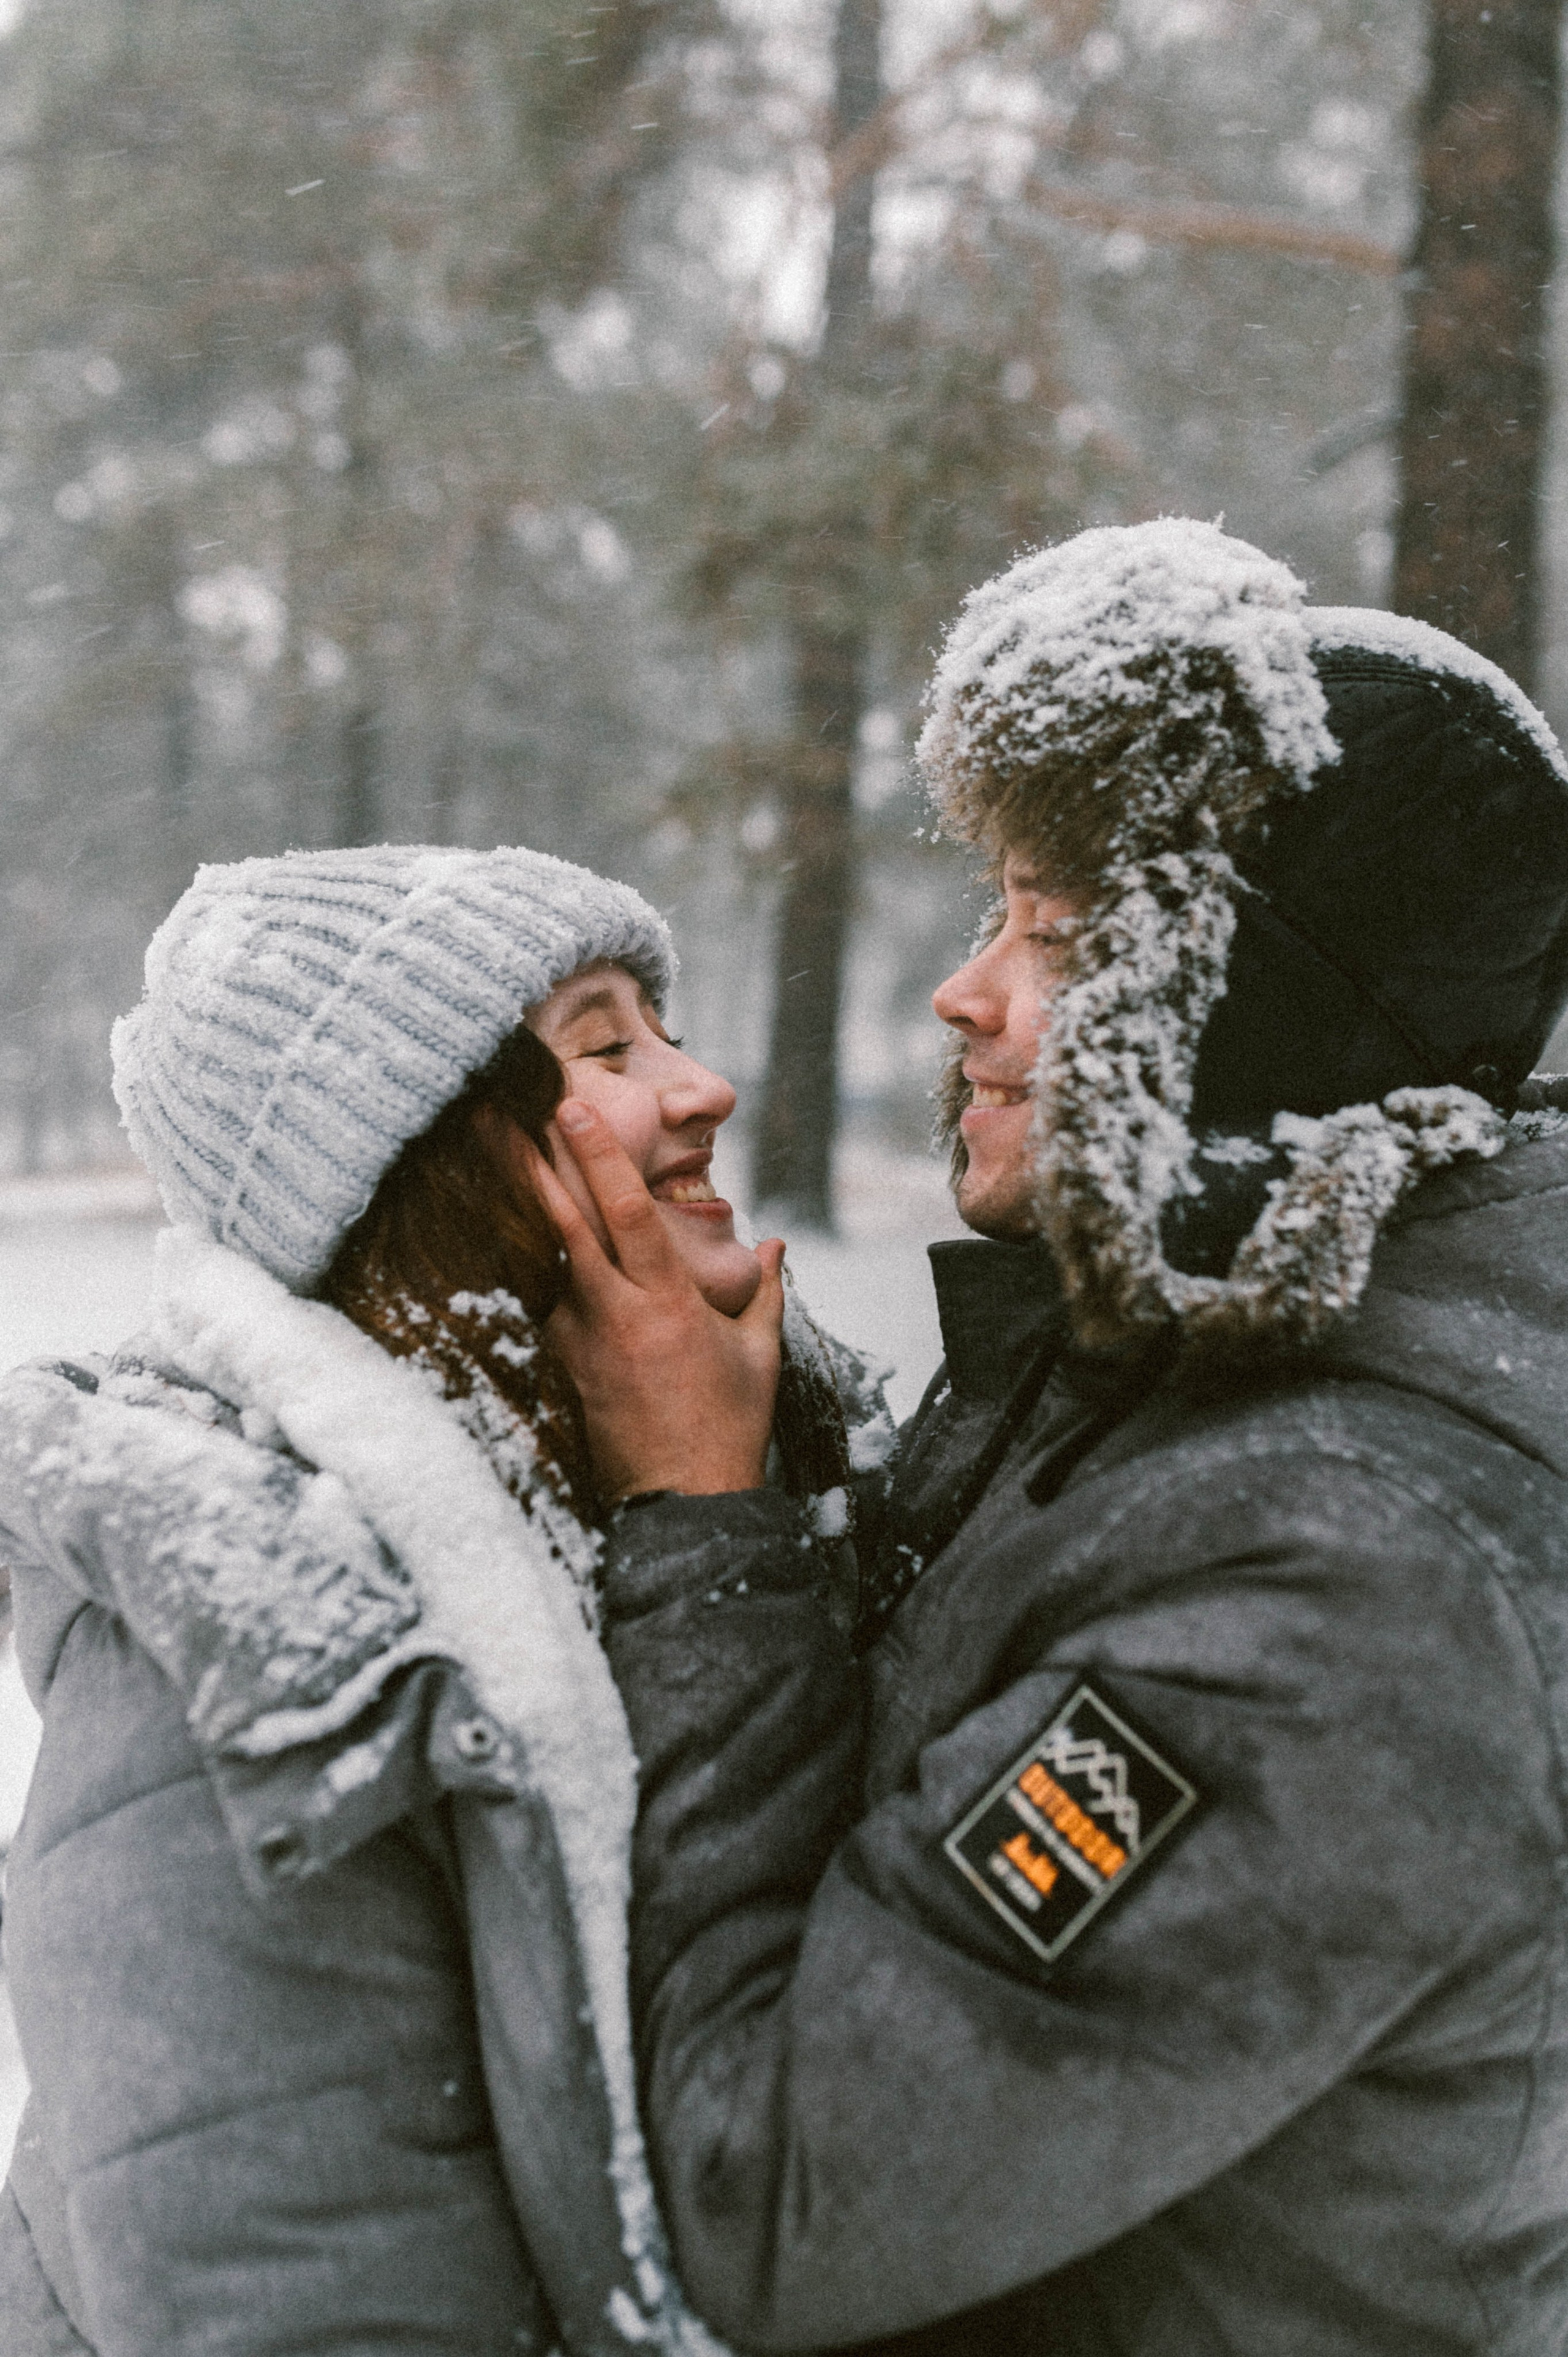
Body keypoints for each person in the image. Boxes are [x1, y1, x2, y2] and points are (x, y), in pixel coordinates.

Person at [534, 520, 1568, 2355]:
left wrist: (701, 1521)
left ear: (1256, 1012)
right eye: (996, 911)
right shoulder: (1181, 1354)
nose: (972, 994)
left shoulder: (1334, 1600)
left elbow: (763, 2196)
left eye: (1070, 936)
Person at [0, 841, 888, 2357]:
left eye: (663, 1030)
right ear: (422, 1164)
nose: (702, 1087)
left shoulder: (724, 1474)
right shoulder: (250, 1673)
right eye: (604, 1044)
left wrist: (706, 1508)